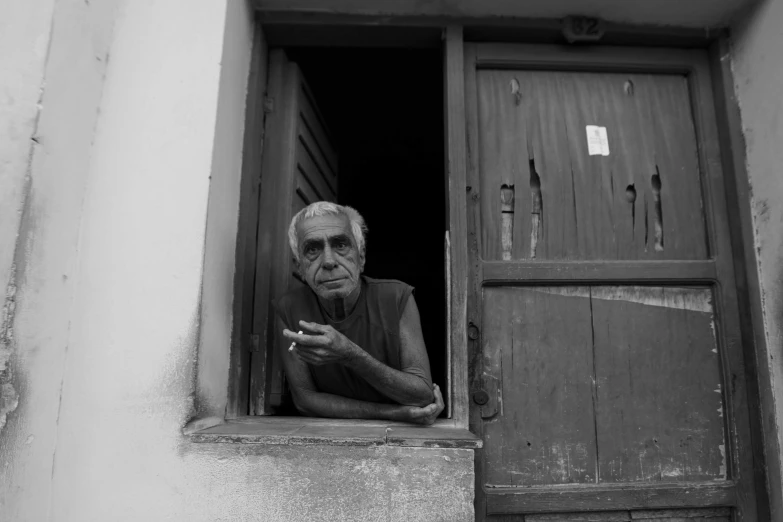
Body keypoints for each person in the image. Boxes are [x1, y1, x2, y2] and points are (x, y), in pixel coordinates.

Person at [274, 201, 444, 425]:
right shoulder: (289, 308)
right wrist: (393, 413)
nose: (328, 261)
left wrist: (350, 354)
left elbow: (421, 394)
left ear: (361, 257)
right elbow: (305, 400)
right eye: (313, 249)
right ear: (300, 267)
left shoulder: (396, 297)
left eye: (341, 245)